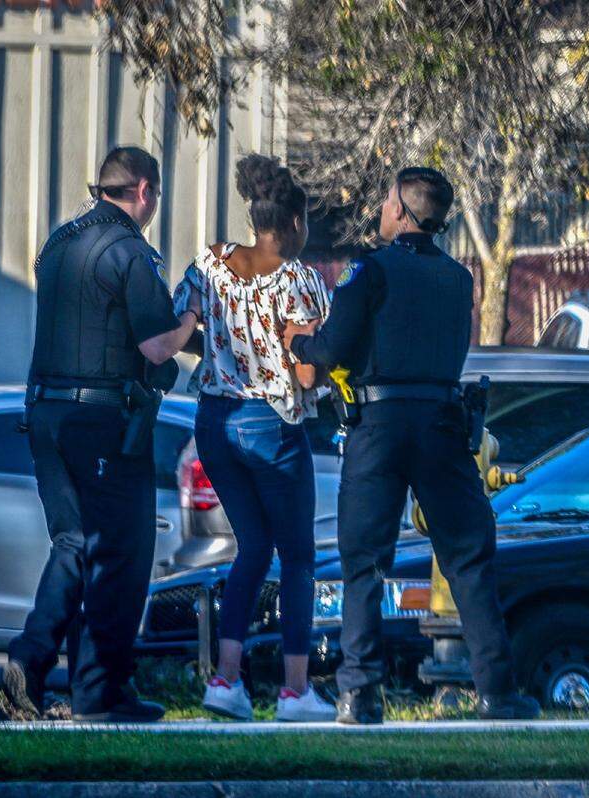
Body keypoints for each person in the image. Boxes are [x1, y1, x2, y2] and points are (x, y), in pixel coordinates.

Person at [283, 167, 540, 723]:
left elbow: (332, 348)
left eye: (384, 200)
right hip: (444, 424)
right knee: (468, 556)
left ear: (400, 209)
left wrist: (297, 340)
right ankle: (498, 692)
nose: (379, 207)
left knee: (365, 562)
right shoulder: (458, 278)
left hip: (380, 426)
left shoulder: (368, 271)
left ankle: (360, 693)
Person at [4, 146, 200, 722]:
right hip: (102, 424)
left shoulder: (58, 243)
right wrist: (192, 319)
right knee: (120, 553)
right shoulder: (130, 253)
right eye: (157, 196)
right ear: (143, 190)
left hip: (45, 415)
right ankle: (98, 689)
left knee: (74, 545)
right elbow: (157, 345)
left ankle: (36, 667)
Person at [173, 154, 335, 722]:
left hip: (214, 421)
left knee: (252, 548)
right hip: (272, 422)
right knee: (297, 555)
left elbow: (187, 332)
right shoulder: (300, 280)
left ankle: (225, 682)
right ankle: (295, 691)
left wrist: (229, 349)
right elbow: (310, 371)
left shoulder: (209, 263)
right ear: (293, 223)